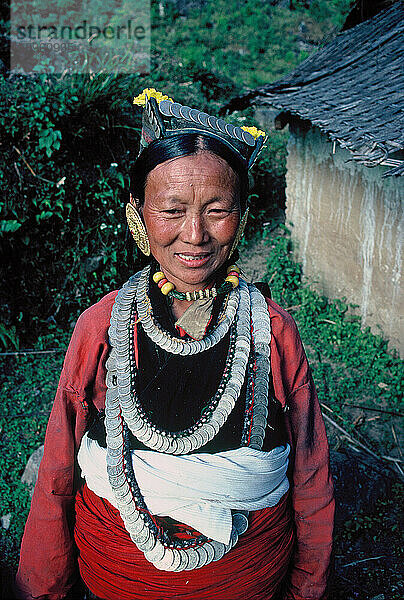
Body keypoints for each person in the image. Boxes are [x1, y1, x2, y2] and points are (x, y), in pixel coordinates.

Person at [16, 89, 334, 600]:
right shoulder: (100, 328)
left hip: (244, 579)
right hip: (120, 576)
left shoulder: (272, 331)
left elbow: (311, 472)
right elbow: (57, 467)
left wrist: (308, 587)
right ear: (138, 218)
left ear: (244, 218)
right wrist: (43, 587)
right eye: (171, 210)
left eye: (217, 211)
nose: (195, 234)